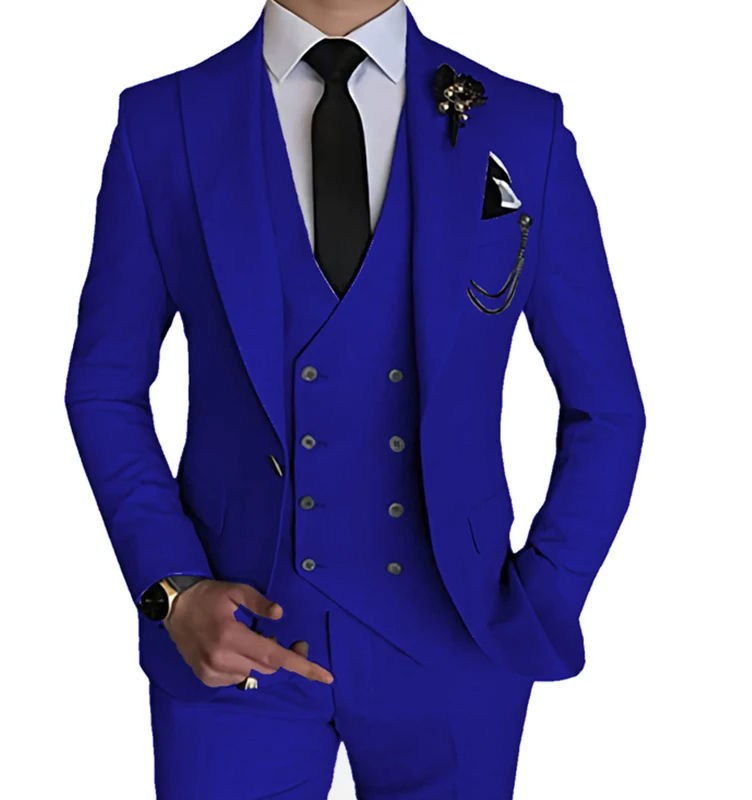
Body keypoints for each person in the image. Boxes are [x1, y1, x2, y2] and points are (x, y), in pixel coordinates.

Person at [64, 0, 646, 796]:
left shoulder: (522, 126)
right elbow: (104, 387)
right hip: (230, 643)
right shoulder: (163, 123)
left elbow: (607, 408)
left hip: (459, 648)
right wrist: (173, 588)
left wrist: (543, 599)